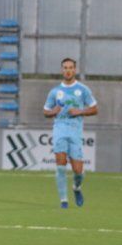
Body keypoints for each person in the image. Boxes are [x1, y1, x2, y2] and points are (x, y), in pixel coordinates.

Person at [42, 58, 98, 208]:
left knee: (78, 170)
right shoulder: (55, 92)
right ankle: (64, 201)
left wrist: (80, 111)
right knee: (60, 165)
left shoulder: (83, 90)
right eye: (65, 67)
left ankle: (77, 188)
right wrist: (53, 111)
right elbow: (45, 111)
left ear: (75, 70)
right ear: (62, 70)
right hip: (59, 129)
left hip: (75, 132)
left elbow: (94, 109)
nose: (68, 70)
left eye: (71, 67)